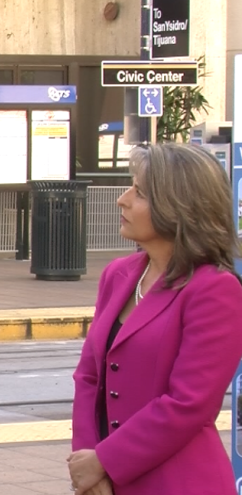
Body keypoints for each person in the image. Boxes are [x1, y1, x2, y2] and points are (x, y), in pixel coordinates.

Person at [69, 143, 242, 495]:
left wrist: (105, 460)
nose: (123, 199)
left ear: (178, 208)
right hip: (103, 480)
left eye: (140, 192)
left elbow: (188, 403)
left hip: (179, 481)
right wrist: (86, 463)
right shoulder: (119, 275)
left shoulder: (215, 290)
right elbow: (88, 376)